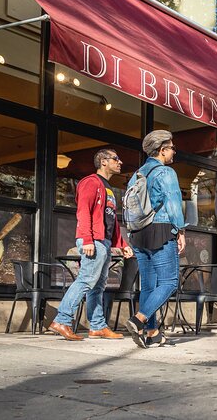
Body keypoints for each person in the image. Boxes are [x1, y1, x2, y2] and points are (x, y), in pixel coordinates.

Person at [49, 149, 134, 341]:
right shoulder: (90, 182)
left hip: (103, 241)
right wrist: (87, 239)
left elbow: (111, 220)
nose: (120, 162)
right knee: (86, 280)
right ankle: (62, 320)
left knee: (98, 286)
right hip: (93, 240)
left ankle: (97, 326)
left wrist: (122, 245)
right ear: (104, 161)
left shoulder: (109, 188)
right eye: (116, 158)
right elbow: (83, 212)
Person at [126, 130, 187, 348]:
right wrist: (180, 231)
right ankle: (138, 319)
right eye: (172, 148)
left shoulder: (137, 174)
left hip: (138, 233)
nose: (173, 152)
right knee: (170, 282)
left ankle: (152, 332)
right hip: (161, 231)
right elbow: (173, 203)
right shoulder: (166, 172)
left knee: (148, 286)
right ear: (162, 150)